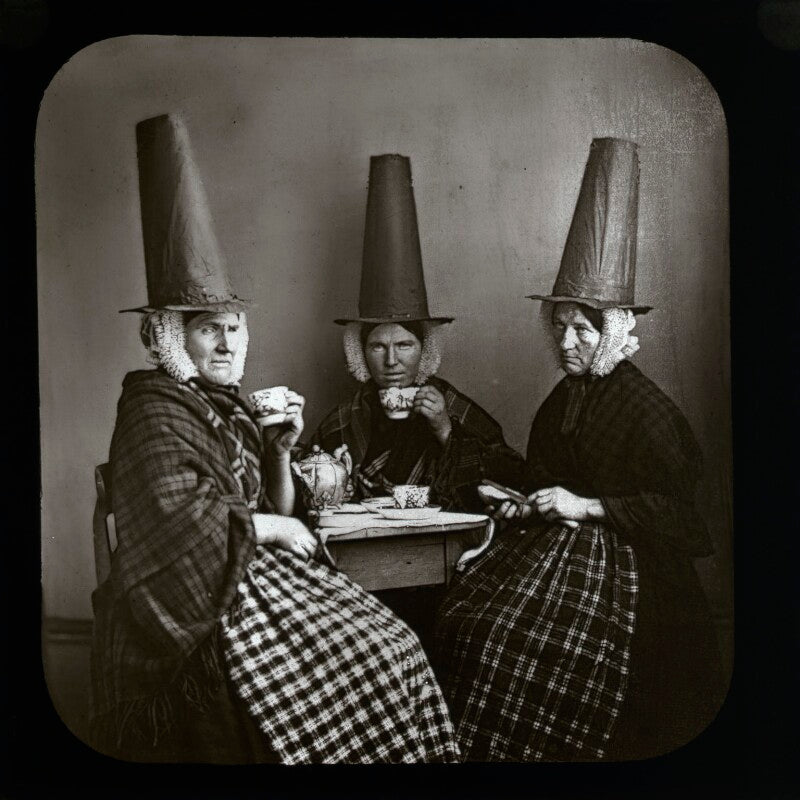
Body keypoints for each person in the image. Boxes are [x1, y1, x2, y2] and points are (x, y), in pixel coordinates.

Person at [89, 115, 460, 764]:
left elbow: (277, 507)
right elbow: (185, 526)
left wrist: (281, 449)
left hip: (250, 579)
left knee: (394, 646)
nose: (229, 342)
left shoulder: (226, 408)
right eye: (209, 329)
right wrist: (270, 531)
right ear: (172, 339)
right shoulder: (152, 411)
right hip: (202, 605)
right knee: (376, 655)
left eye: (234, 326)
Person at [434, 138, 725, 762]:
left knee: (511, 639)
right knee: (466, 618)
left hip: (637, 579)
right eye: (559, 327)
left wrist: (586, 506)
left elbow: (682, 518)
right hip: (560, 553)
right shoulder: (566, 396)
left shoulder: (645, 409)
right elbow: (544, 475)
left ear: (612, 331)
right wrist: (515, 499)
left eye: (582, 329)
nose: (566, 342)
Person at [308, 155, 522, 650]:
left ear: (424, 351)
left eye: (404, 345)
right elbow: (309, 489)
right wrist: (329, 473)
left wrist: (447, 431)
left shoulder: (452, 405)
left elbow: (509, 474)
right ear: (360, 354)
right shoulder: (344, 419)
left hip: (443, 570)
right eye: (377, 347)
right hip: (359, 572)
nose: (391, 360)